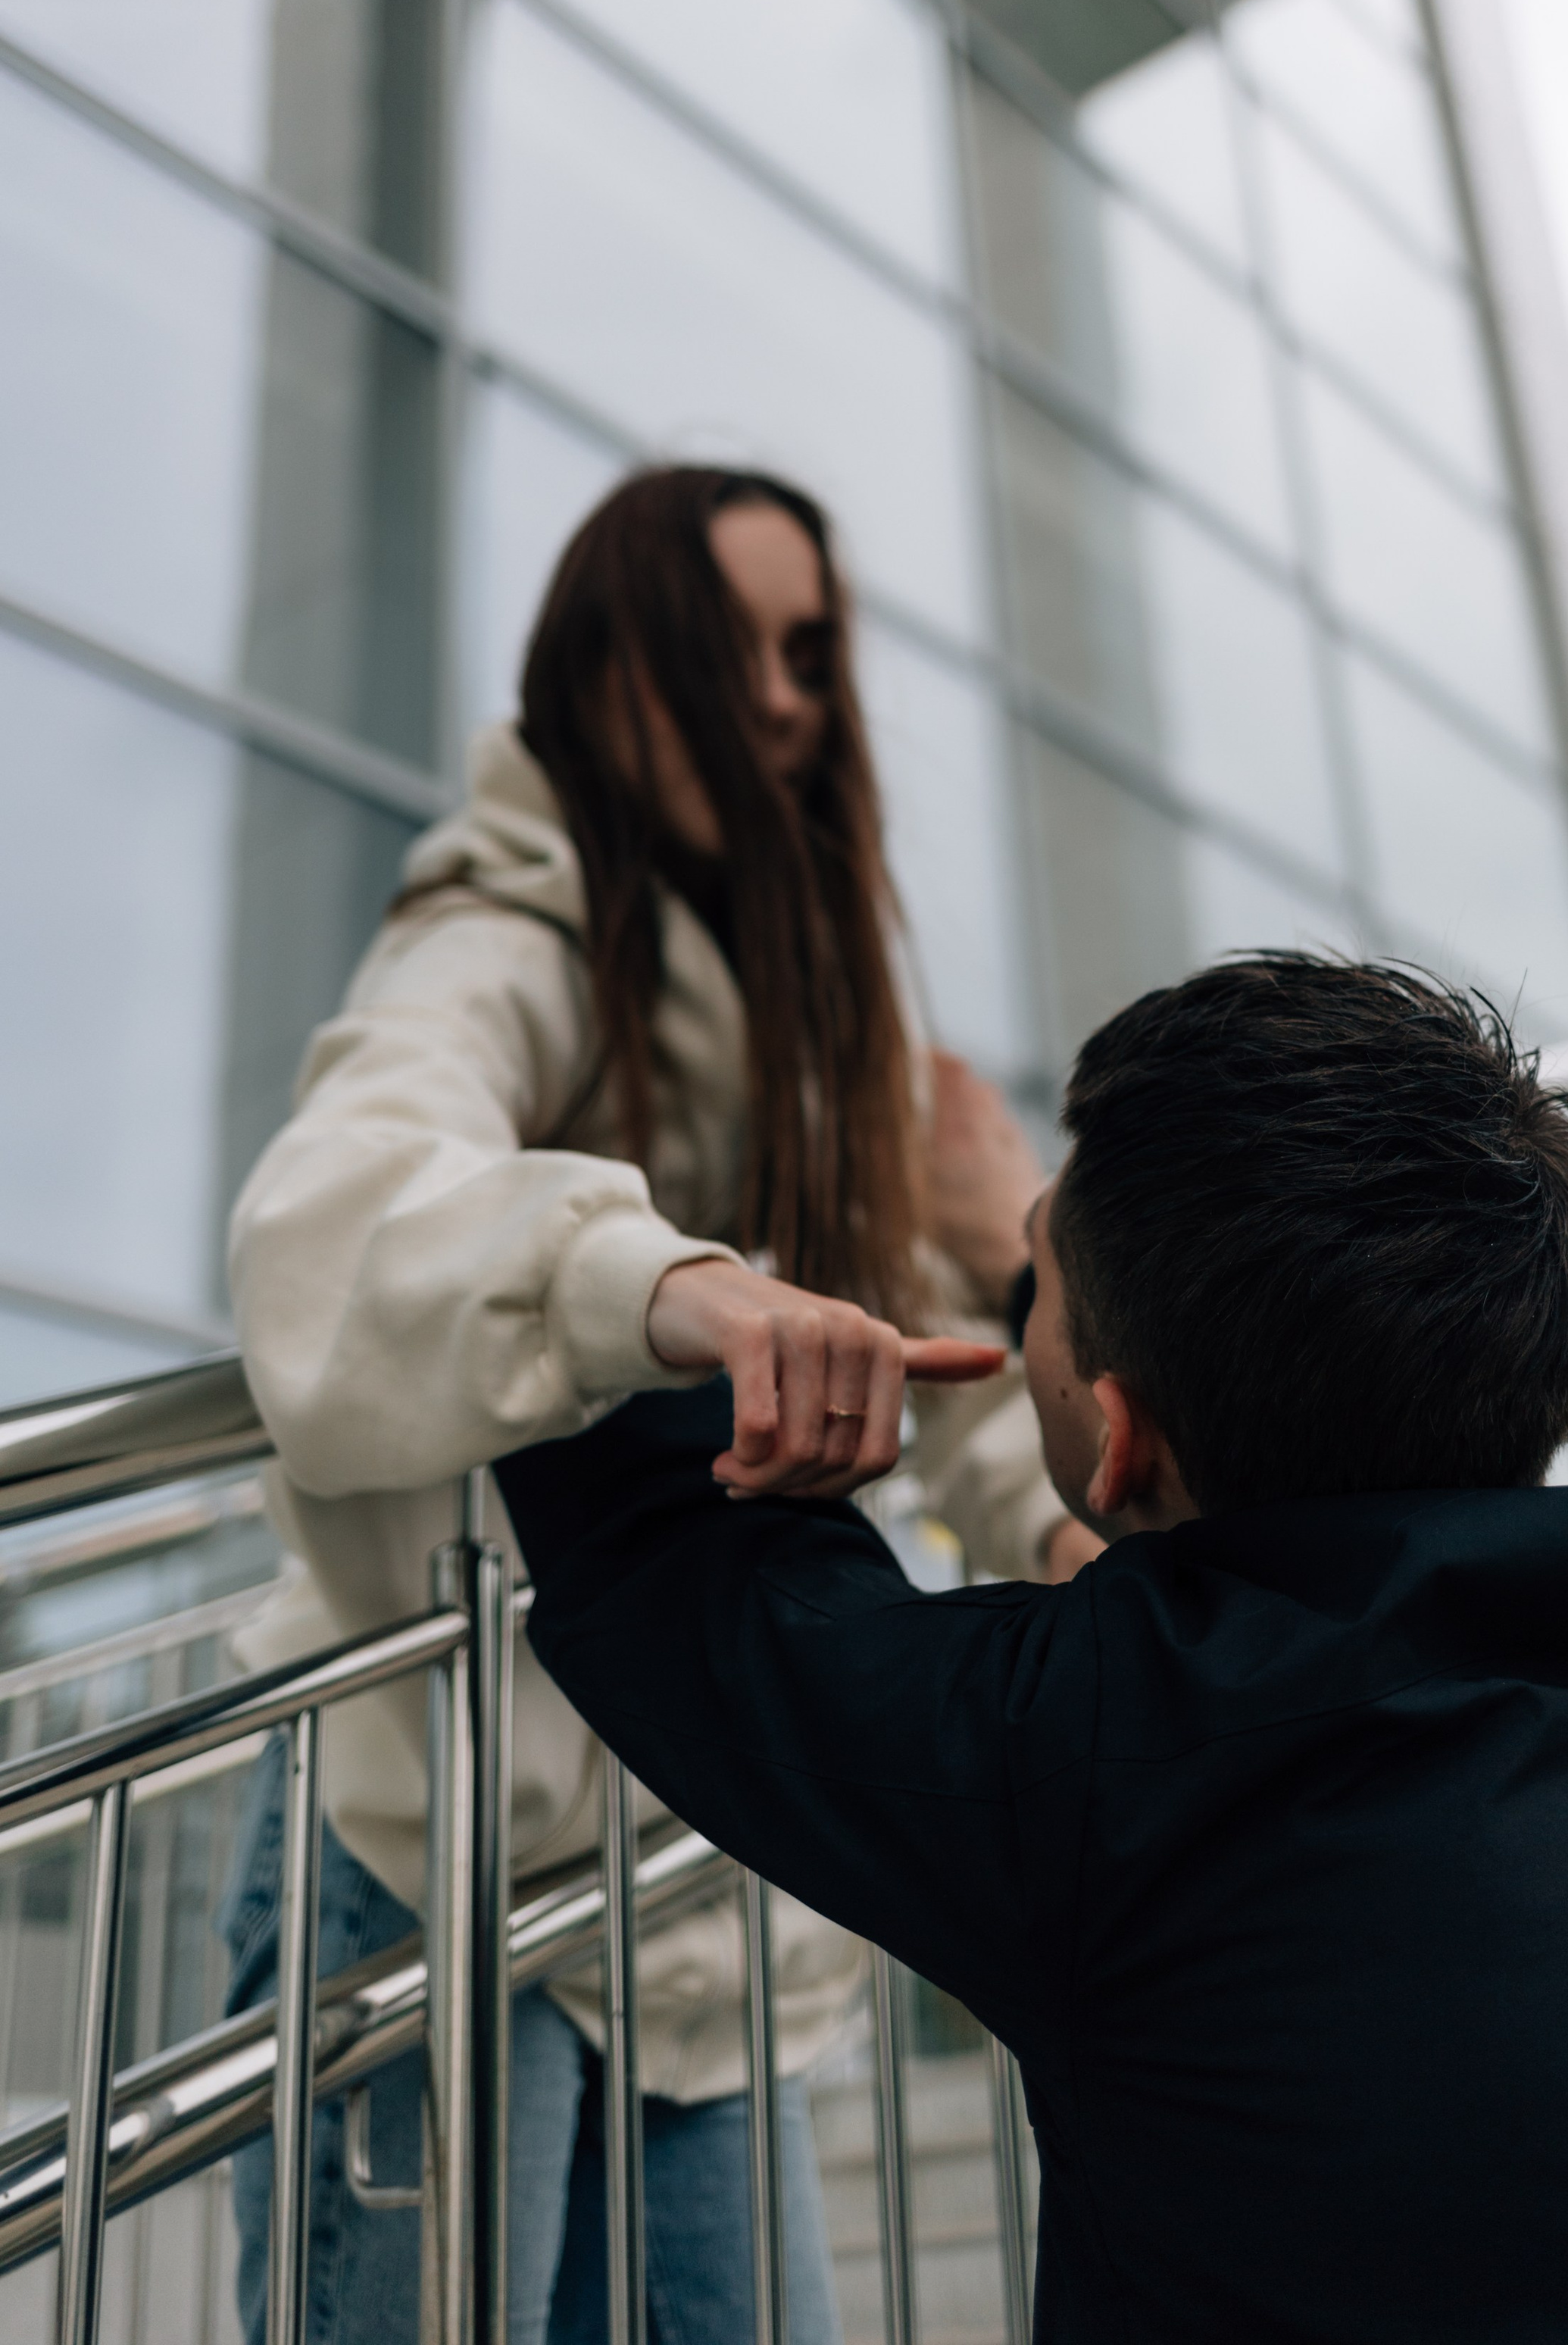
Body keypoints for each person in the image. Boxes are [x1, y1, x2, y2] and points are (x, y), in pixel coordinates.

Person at [500, 953, 1568, 2343]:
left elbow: (670, 1552)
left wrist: (677, 1290)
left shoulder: (1113, 1752)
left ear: (1118, 1445)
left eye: (1039, 1285)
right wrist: (1044, 1251)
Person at [223, 464, 1099, 2345]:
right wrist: (676, 1292)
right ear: (607, 671)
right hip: (439, 1859)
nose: (782, 696)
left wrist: (1068, 1536)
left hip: (698, 1895)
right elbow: (335, 1199)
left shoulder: (818, 1013)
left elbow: (932, 1349)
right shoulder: (506, 929)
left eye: (810, 651)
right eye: (731, 648)